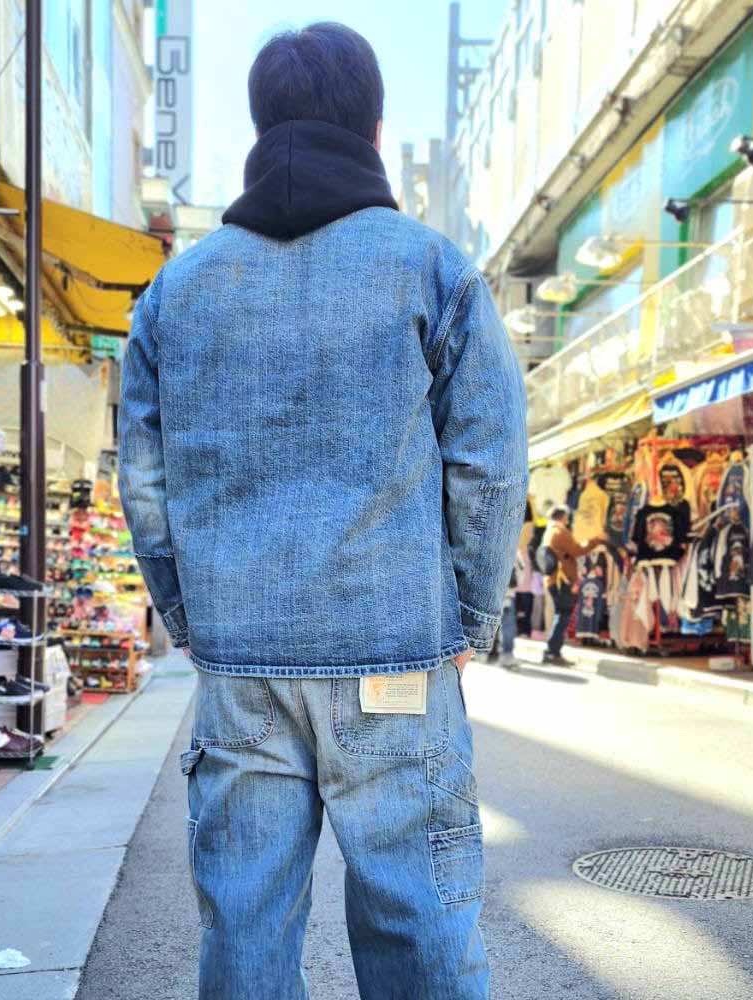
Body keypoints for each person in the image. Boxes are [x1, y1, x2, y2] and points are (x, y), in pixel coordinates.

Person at [118, 22, 527, 1000]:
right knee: (420, 929)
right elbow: (487, 462)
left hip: (241, 663)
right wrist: (468, 617)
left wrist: (189, 619)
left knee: (246, 931)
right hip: (397, 653)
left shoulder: (175, 293)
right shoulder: (433, 269)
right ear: (374, 130)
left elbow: (146, 482)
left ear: (259, 126)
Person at [540, 505, 602, 666]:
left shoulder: (550, 531)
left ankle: (552, 651)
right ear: (563, 517)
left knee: (560, 614)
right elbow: (577, 550)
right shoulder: (560, 532)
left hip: (555, 580)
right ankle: (552, 652)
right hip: (561, 581)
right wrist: (596, 540)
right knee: (563, 615)